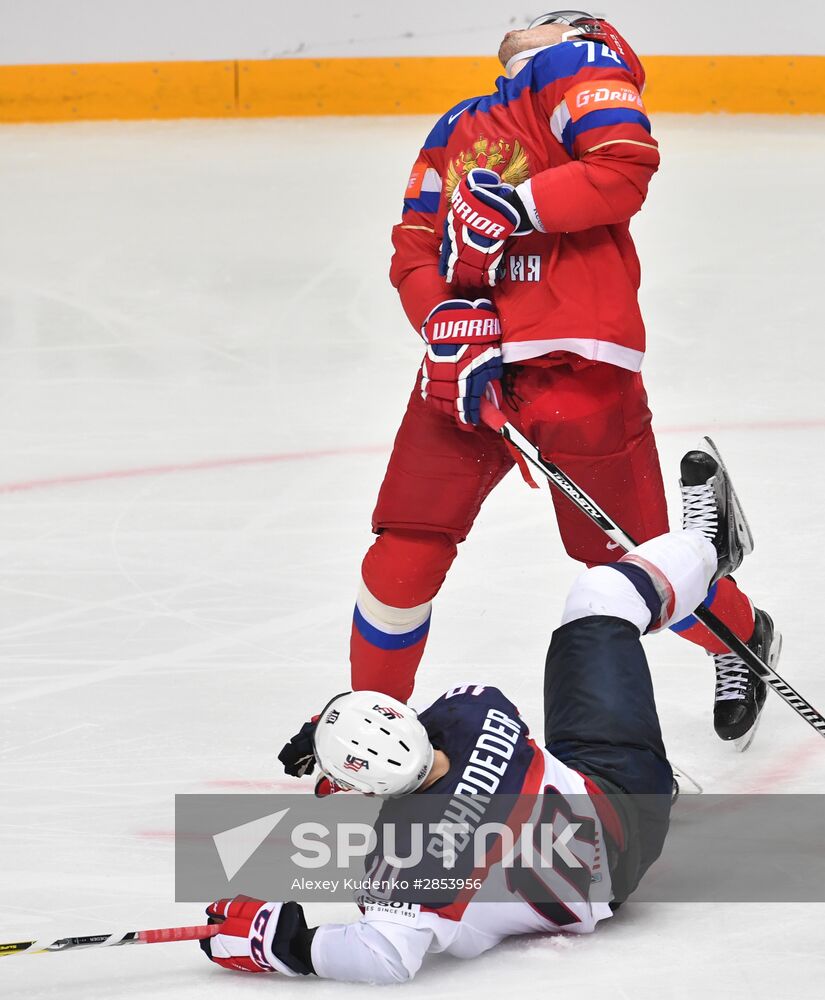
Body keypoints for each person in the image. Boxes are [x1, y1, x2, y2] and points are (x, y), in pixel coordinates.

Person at [347, 10, 779, 748]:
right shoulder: (458, 122)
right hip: (464, 374)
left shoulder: (577, 66)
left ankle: (744, 636)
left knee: (632, 566)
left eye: (549, 18)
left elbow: (620, 169)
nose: (525, 21)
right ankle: (370, 730)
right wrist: (444, 318)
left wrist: (514, 206)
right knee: (403, 548)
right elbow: (413, 243)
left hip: (577, 368)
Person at [201, 441, 755, 982]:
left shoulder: (404, 860)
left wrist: (285, 945)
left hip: (611, 869)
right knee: (601, 600)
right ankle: (704, 548)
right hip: (617, 785)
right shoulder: (473, 708)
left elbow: (385, 956)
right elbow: (416, 737)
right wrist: (334, 732)